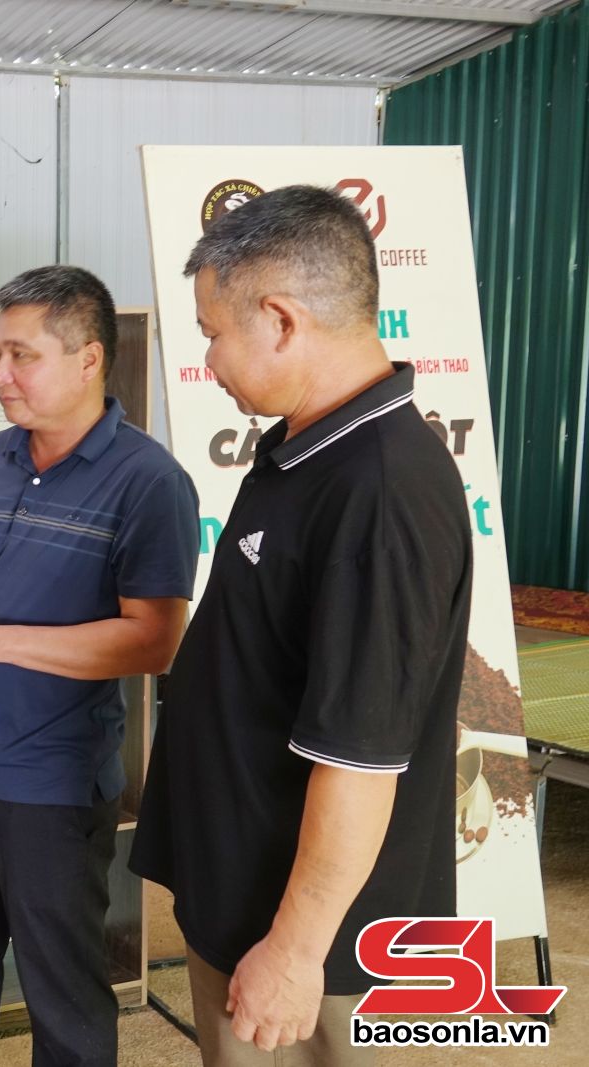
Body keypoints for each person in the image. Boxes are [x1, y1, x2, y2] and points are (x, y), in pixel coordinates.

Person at [129, 185, 473, 1066]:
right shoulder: (310, 448)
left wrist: (292, 951)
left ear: (281, 319)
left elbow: (360, 758)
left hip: (310, 946)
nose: (208, 357)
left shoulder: (380, 494)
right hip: (244, 892)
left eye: (212, 332)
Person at [0, 265, 200, 1066]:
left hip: (53, 786)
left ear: (89, 359)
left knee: (64, 1000)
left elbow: (154, 640)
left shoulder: (151, 482)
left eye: (21, 355)